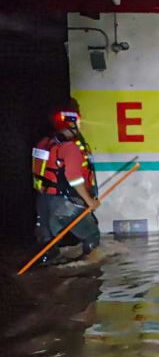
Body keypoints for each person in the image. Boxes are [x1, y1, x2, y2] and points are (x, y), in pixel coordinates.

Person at [31, 100, 101, 264]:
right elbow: (74, 178)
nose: (80, 123)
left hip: (44, 201)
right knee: (91, 236)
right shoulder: (70, 147)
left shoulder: (44, 143)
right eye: (78, 119)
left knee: (48, 245)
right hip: (66, 204)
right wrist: (90, 201)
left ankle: (44, 279)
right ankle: (91, 274)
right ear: (71, 121)